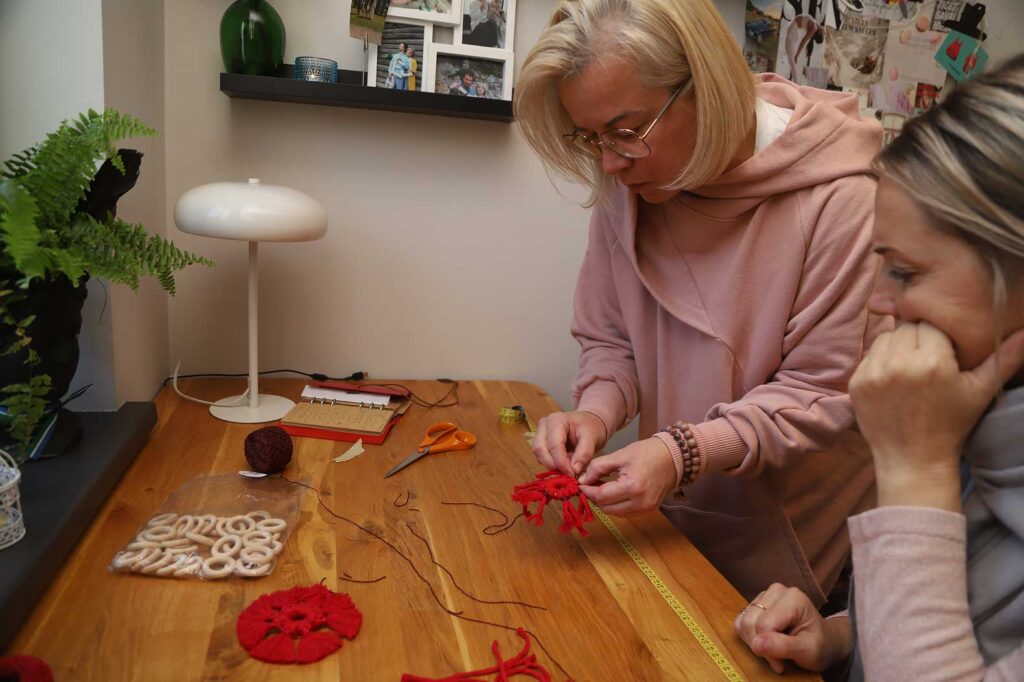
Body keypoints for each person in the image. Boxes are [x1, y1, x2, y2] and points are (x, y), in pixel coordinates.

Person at [514, 0, 885, 606]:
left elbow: (817, 393)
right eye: (590, 137)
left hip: (788, 530)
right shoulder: (627, 183)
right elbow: (612, 341)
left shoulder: (844, 201)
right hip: (677, 509)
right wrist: (596, 414)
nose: (609, 162)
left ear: (704, 87)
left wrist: (680, 450)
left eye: (626, 132)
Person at [734, 55, 1024, 680]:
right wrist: (844, 636)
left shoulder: (935, 441)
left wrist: (914, 470)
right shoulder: (985, 419)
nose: (879, 302)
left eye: (906, 271)